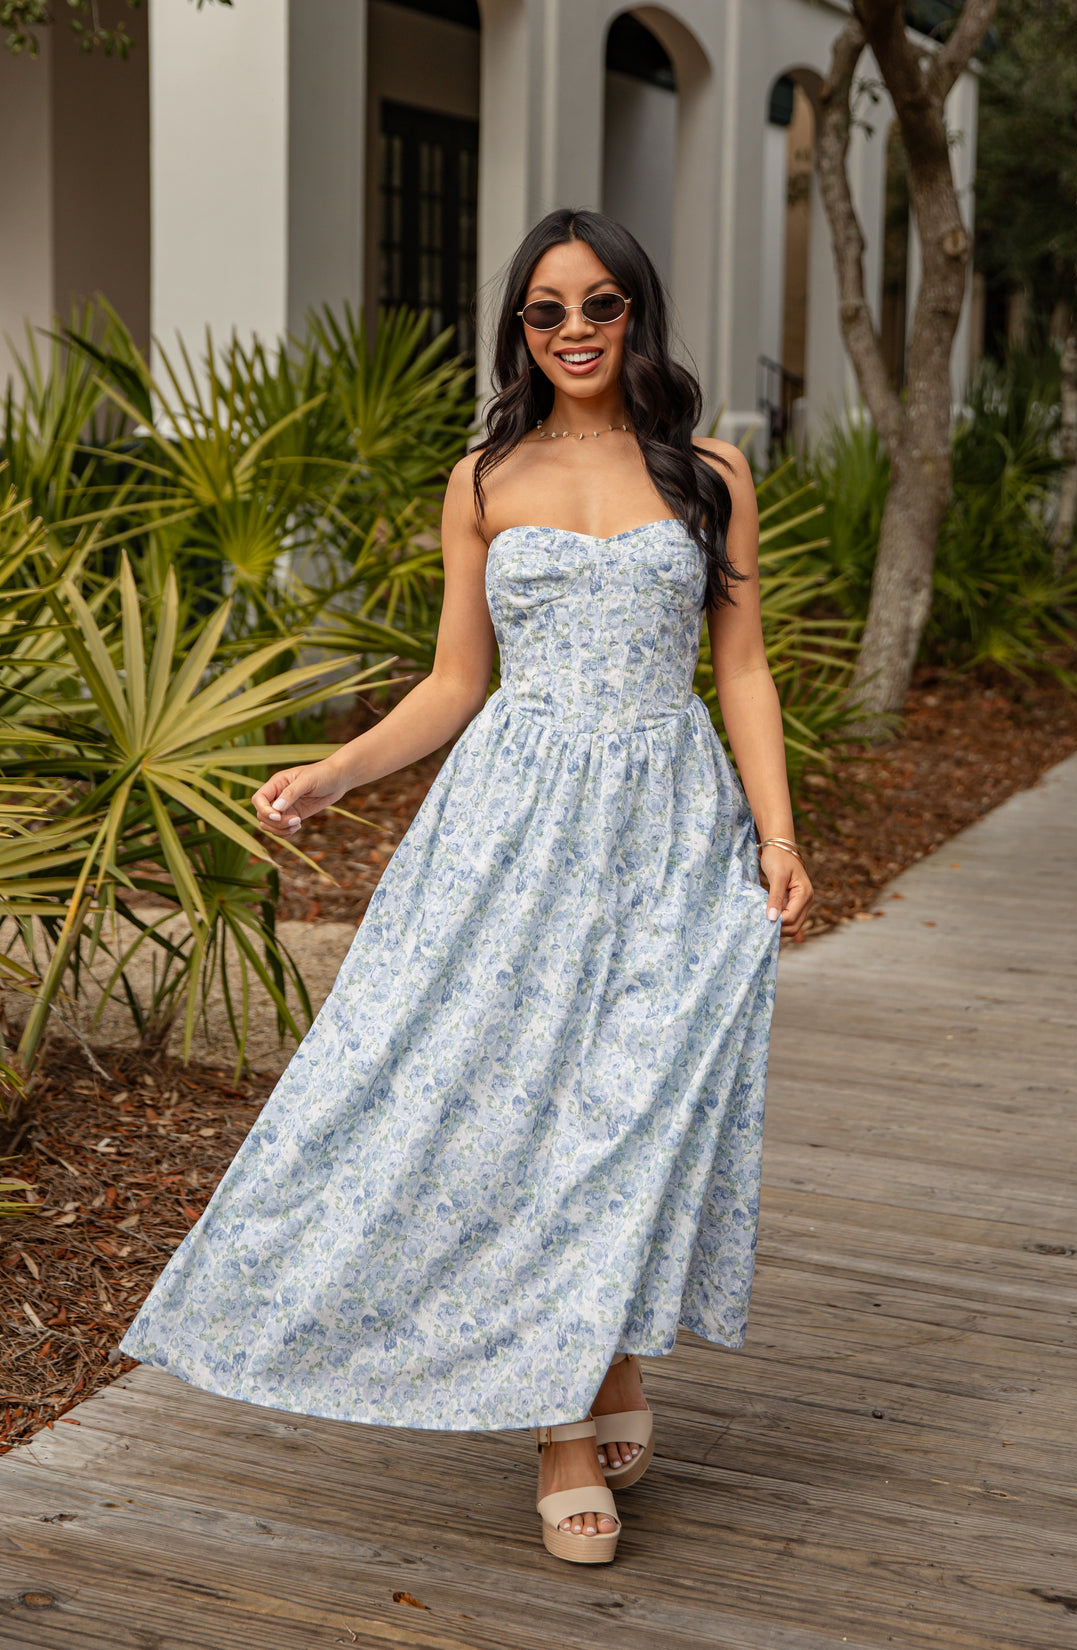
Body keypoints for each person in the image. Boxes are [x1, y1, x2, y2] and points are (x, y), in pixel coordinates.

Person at [119, 207, 813, 1567]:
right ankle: (566, 1418)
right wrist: (336, 773)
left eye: (599, 306)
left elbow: (741, 670)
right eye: (546, 310)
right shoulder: (484, 476)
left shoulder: (710, 470)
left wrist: (778, 835)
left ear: (636, 316)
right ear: (516, 326)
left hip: (672, 824)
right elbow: (454, 682)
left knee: (636, 1103)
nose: (573, 331)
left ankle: (604, 1354)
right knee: (525, 1101)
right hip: (515, 828)